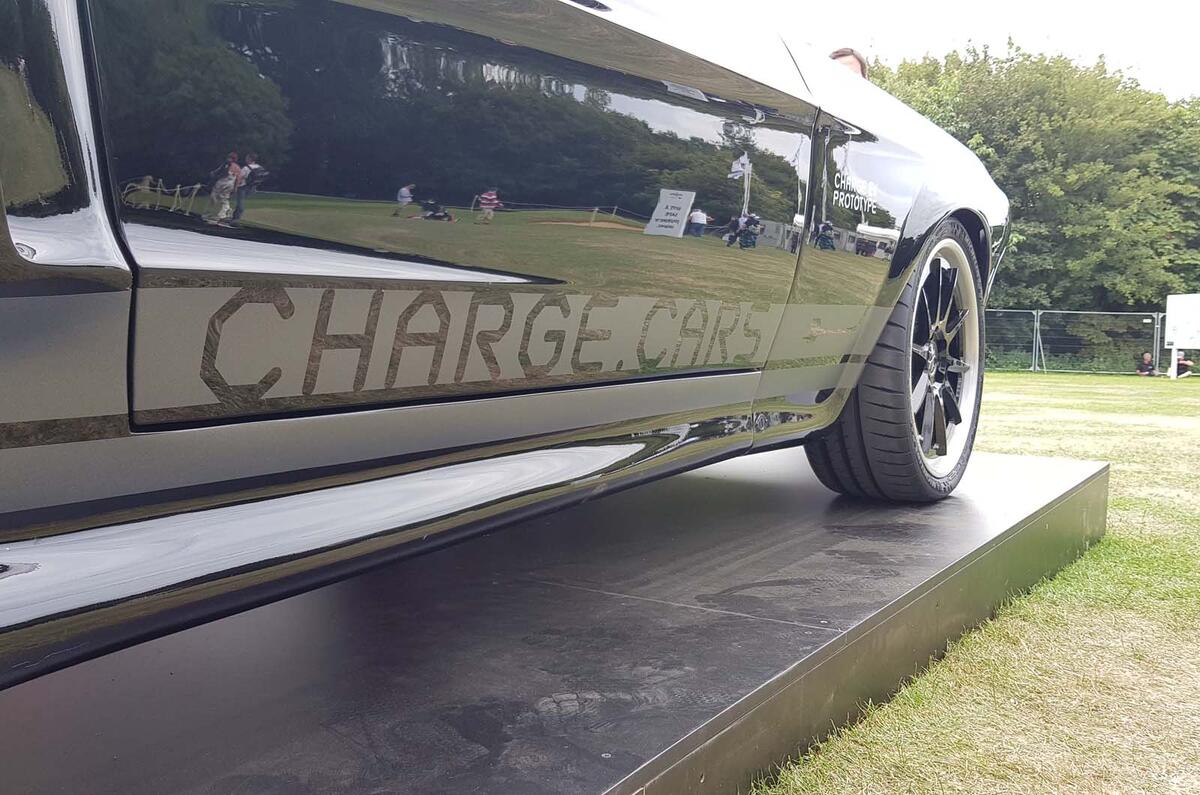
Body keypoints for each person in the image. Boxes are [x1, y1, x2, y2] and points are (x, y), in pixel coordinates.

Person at [206, 151, 241, 226]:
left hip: (223, 182)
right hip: (230, 184)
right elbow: (238, 179)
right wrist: (235, 188)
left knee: (215, 196)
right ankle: (223, 213)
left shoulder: (227, 164)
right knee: (224, 199)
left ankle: (214, 213)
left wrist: (214, 175)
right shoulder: (237, 167)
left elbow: (220, 172)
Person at [232, 153, 266, 222]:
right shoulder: (259, 167)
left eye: (247, 157)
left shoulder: (246, 168)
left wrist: (235, 187)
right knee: (240, 203)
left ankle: (236, 219)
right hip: (252, 187)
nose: (246, 159)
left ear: (250, 159)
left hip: (242, 187)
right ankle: (234, 217)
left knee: (240, 203)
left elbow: (239, 178)